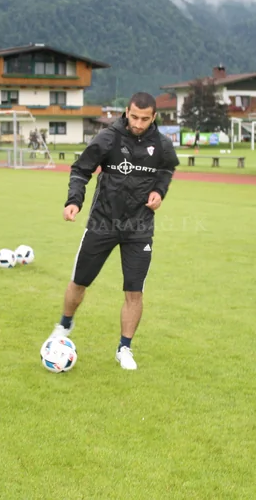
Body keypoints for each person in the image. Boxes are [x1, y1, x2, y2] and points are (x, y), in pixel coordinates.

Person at [48, 92, 180, 370]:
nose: (139, 123)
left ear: (154, 117)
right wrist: (74, 201)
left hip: (139, 228)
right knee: (79, 282)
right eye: (134, 117)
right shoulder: (109, 137)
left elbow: (167, 170)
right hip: (102, 223)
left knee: (134, 291)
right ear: (126, 112)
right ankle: (64, 325)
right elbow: (81, 169)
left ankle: (125, 348)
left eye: (145, 119)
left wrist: (159, 190)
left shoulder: (162, 145)